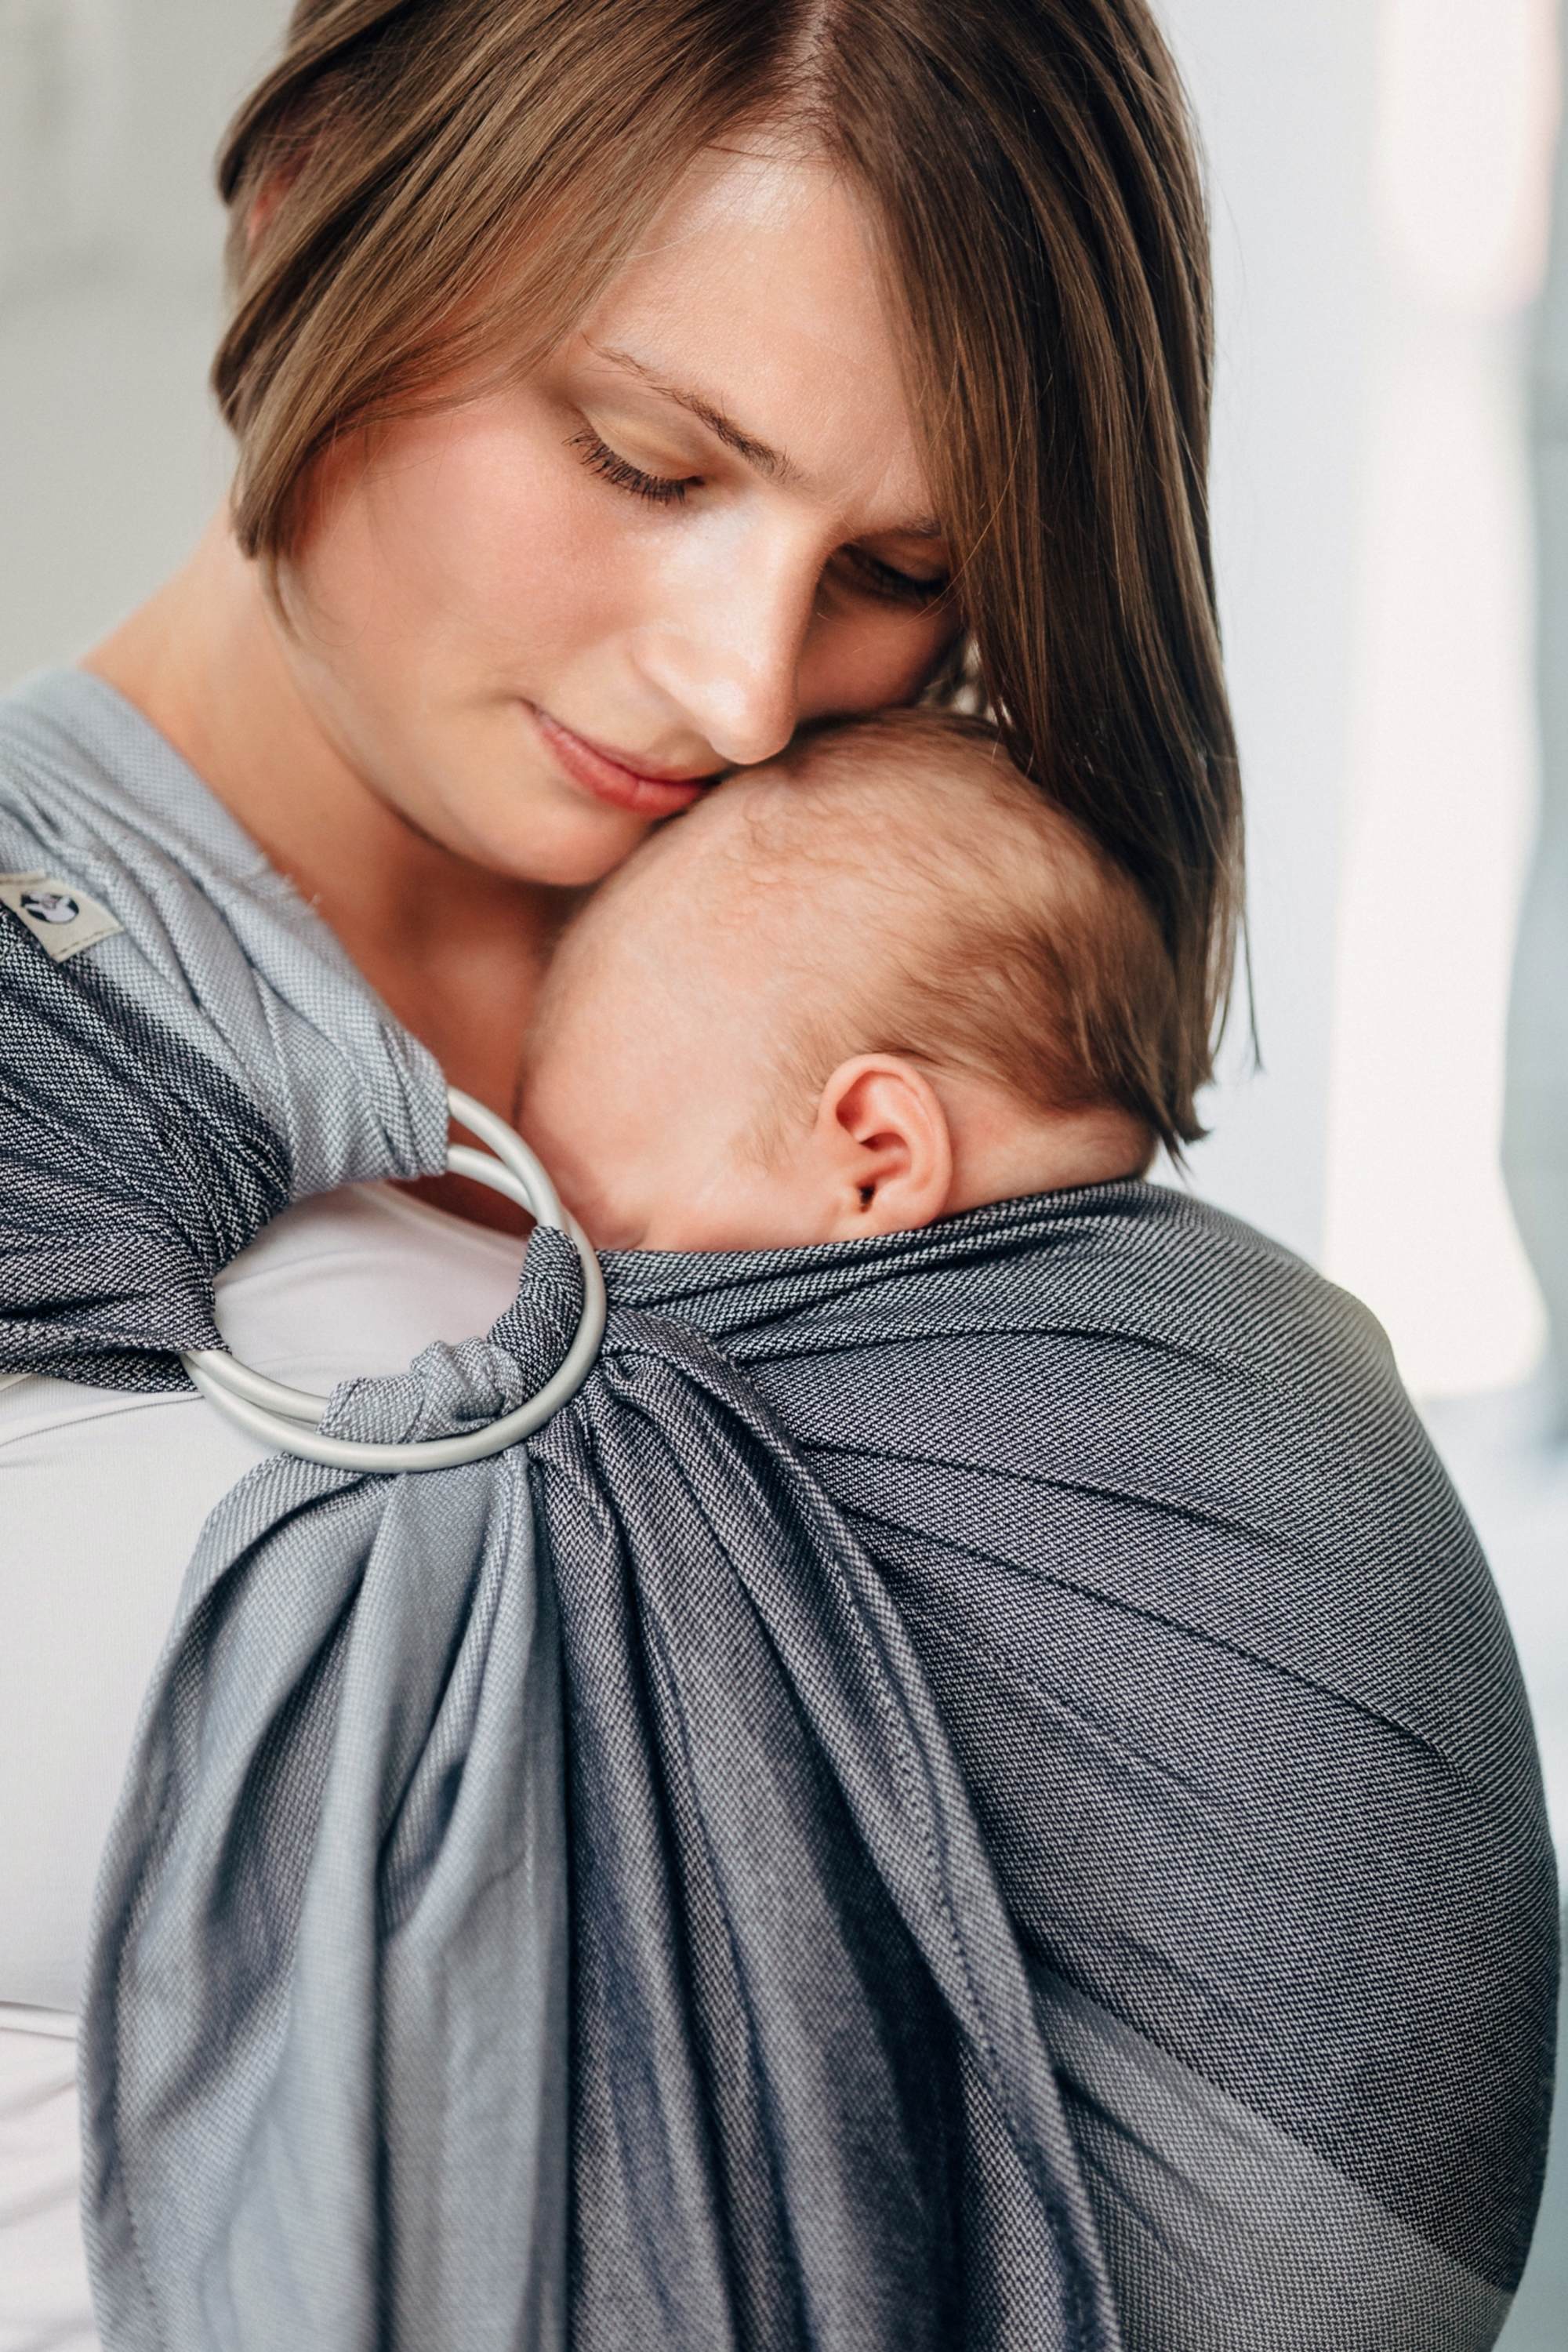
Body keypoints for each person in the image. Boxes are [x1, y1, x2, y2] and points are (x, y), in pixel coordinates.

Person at [5, 2, 1533, 2346]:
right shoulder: (51, 1045)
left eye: (901, 568)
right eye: (646, 458)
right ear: (314, 205)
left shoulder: (907, 944)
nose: (741, 688)